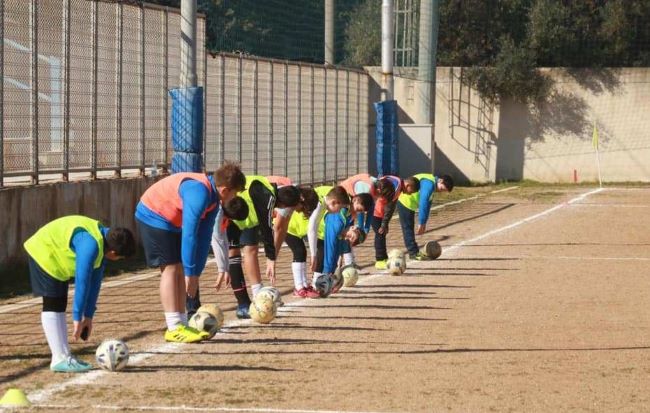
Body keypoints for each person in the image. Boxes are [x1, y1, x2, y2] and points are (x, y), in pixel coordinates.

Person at [135, 162, 246, 343]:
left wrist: (195, 273)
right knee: (170, 268)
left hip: (170, 221)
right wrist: (190, 272)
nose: (236, 196)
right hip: (153, 214)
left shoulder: (213, 201)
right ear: (226, 190)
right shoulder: (199, 193)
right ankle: (173, 327)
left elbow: (203, 239)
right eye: (236, 192)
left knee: (179, 267)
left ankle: (182, 323)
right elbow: (189, 234)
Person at [23, 215, 135, 372]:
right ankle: (59, 358)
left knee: (59, 303)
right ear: (114, 252)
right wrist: (77, 317)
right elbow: (82, 282)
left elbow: (94, 283)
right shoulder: (90, 246)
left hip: (56, 257)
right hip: (44, 251)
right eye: (120, 258)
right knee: (52, 303)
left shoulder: (104, 240)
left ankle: (64, 356)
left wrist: (88, 316)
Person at [227, 175, 301, 318]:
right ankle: (244, 302)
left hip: (245, 216)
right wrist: (271, 259)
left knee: (250, 250)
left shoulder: (267, 185)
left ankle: (256, 295)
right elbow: (268, 229)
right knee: (237, 253)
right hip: (233, 213)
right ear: (284, 205)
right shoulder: (269, 199)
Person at [340, 173, 405, 269]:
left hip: (352, 207)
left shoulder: (375, 190)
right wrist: (361, 229)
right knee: (344, 233)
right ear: (379, 191)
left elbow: (370, 210)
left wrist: (366, 230)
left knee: (350, 235)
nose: (381, 199)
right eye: (382, 196)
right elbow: (360, 211)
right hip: (342, 203)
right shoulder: (366, 188)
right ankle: (344, 263)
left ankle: (350, 262)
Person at [398, 174, 454, 259]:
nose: (440, 191)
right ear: (440, 181)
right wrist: (421, 221)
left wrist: (424, 222)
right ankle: (413, 253)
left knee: (409, 228)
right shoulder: (429, 184)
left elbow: (427, 205)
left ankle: (414, 252)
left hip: (410, 203)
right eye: (442, 188)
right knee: (408, 228)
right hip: (405, 201)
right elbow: (423, 202)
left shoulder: (432, 185)